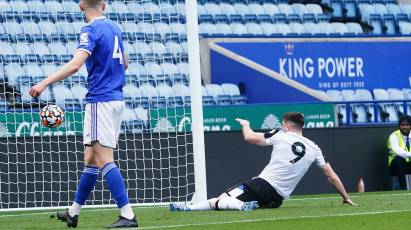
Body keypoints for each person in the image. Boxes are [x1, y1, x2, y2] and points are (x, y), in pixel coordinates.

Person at [29, 0, 137, 228]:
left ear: (81, 6)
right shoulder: (115, 28)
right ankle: (73, 213)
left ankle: (127, 215)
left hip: (101, 101)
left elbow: (76, 65)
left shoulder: (90, 30)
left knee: (105, 159)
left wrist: (44, 83)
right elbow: (125, 63)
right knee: (90, 159)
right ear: (104, 5)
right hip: (116, 99)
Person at [170, 112, 356, 212]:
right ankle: (189, 208)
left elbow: (249, 138)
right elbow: (331, 176)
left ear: (286, 125)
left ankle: (236, 206)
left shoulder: (280, 134)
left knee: (221, 200)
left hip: (262, 185)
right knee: (225, 201)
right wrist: (346, 198)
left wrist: (245, 125)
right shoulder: (315, 148)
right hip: (277, 199)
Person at [387, 115, 411, 190]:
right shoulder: (394, 136)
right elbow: (397, 150)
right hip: (395, 167)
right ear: (399, 126)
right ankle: (403, 188)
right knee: (398, 159)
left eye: (407, 125)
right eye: (402, 125)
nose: (404, 127)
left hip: (409, 164)